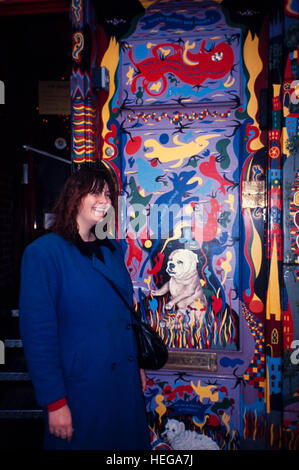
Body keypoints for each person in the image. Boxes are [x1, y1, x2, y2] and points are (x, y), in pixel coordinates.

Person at [18, 166, 151, 450]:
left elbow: (123, 315)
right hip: (80, 390)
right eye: (94, 191)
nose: (104, 200)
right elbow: (38, 336)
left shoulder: (111, 250)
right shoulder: (44, 253)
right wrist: (54, 402)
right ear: (74, 196)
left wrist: (135, 363)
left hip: (122, 384)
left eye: (107, 193)